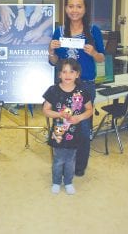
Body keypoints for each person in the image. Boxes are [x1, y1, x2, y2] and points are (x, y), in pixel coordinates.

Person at [48, 0, 105, 176]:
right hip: (64, 87)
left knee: (83, 127)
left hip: (85, 85)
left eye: (79, 6)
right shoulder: (59, 30)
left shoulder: (93, 30)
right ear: (65, 9)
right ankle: (62, 164)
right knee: (62, 123)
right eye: (71, 6)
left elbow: (101, 58)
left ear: (85, 9)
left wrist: (93, 52)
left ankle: (79, 166)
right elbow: (54, 61)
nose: (74, 10)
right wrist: (51, 51)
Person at [42, 58, 93, 194]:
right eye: (64, 72)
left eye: (72, 71)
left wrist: (79, 117)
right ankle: (56, 181)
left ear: (77, 74)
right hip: (58, 133)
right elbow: (45, 110)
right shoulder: (53, 90)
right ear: (59, 74)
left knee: (71, 159)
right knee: (58, 159)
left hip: (75, 132)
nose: (68, 75)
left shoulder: (83, 91)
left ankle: (69, 182)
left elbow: (89, 110)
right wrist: (59, 114)